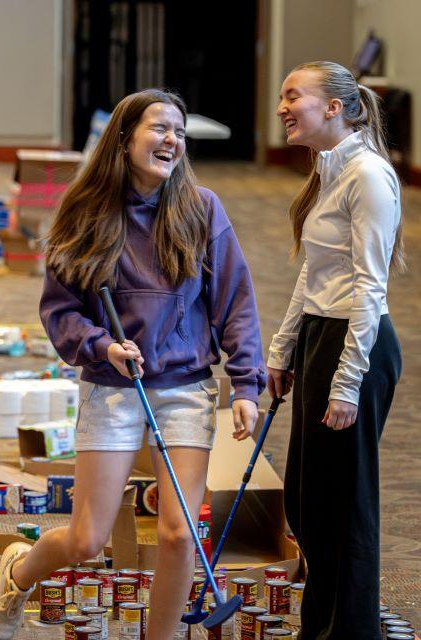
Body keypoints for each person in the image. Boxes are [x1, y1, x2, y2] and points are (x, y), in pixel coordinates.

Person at [0, 89, 266, 640]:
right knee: (87, 540)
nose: (171, 140)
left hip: (186, 387)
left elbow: (238, 303)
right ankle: (19, 571)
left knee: (180, 535)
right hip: (113, 385)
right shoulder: (86, 212)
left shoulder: (202, 209)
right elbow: (59, 310)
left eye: (179, 133)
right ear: (123, 137)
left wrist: (247, 385)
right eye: (160, 128)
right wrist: (100, 345)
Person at [268, 61, 404, 640]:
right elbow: (316, 272)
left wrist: (347, 383)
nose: (282, 107)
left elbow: (370, 286)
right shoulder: (328, 169)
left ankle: (350, 631)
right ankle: (320, 627)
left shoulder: (368, 174)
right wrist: (284, 347)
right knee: (307, 501)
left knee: (344, 506)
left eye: (292, 95)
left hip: (359, 343)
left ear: (333, 107)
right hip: (323, 337)